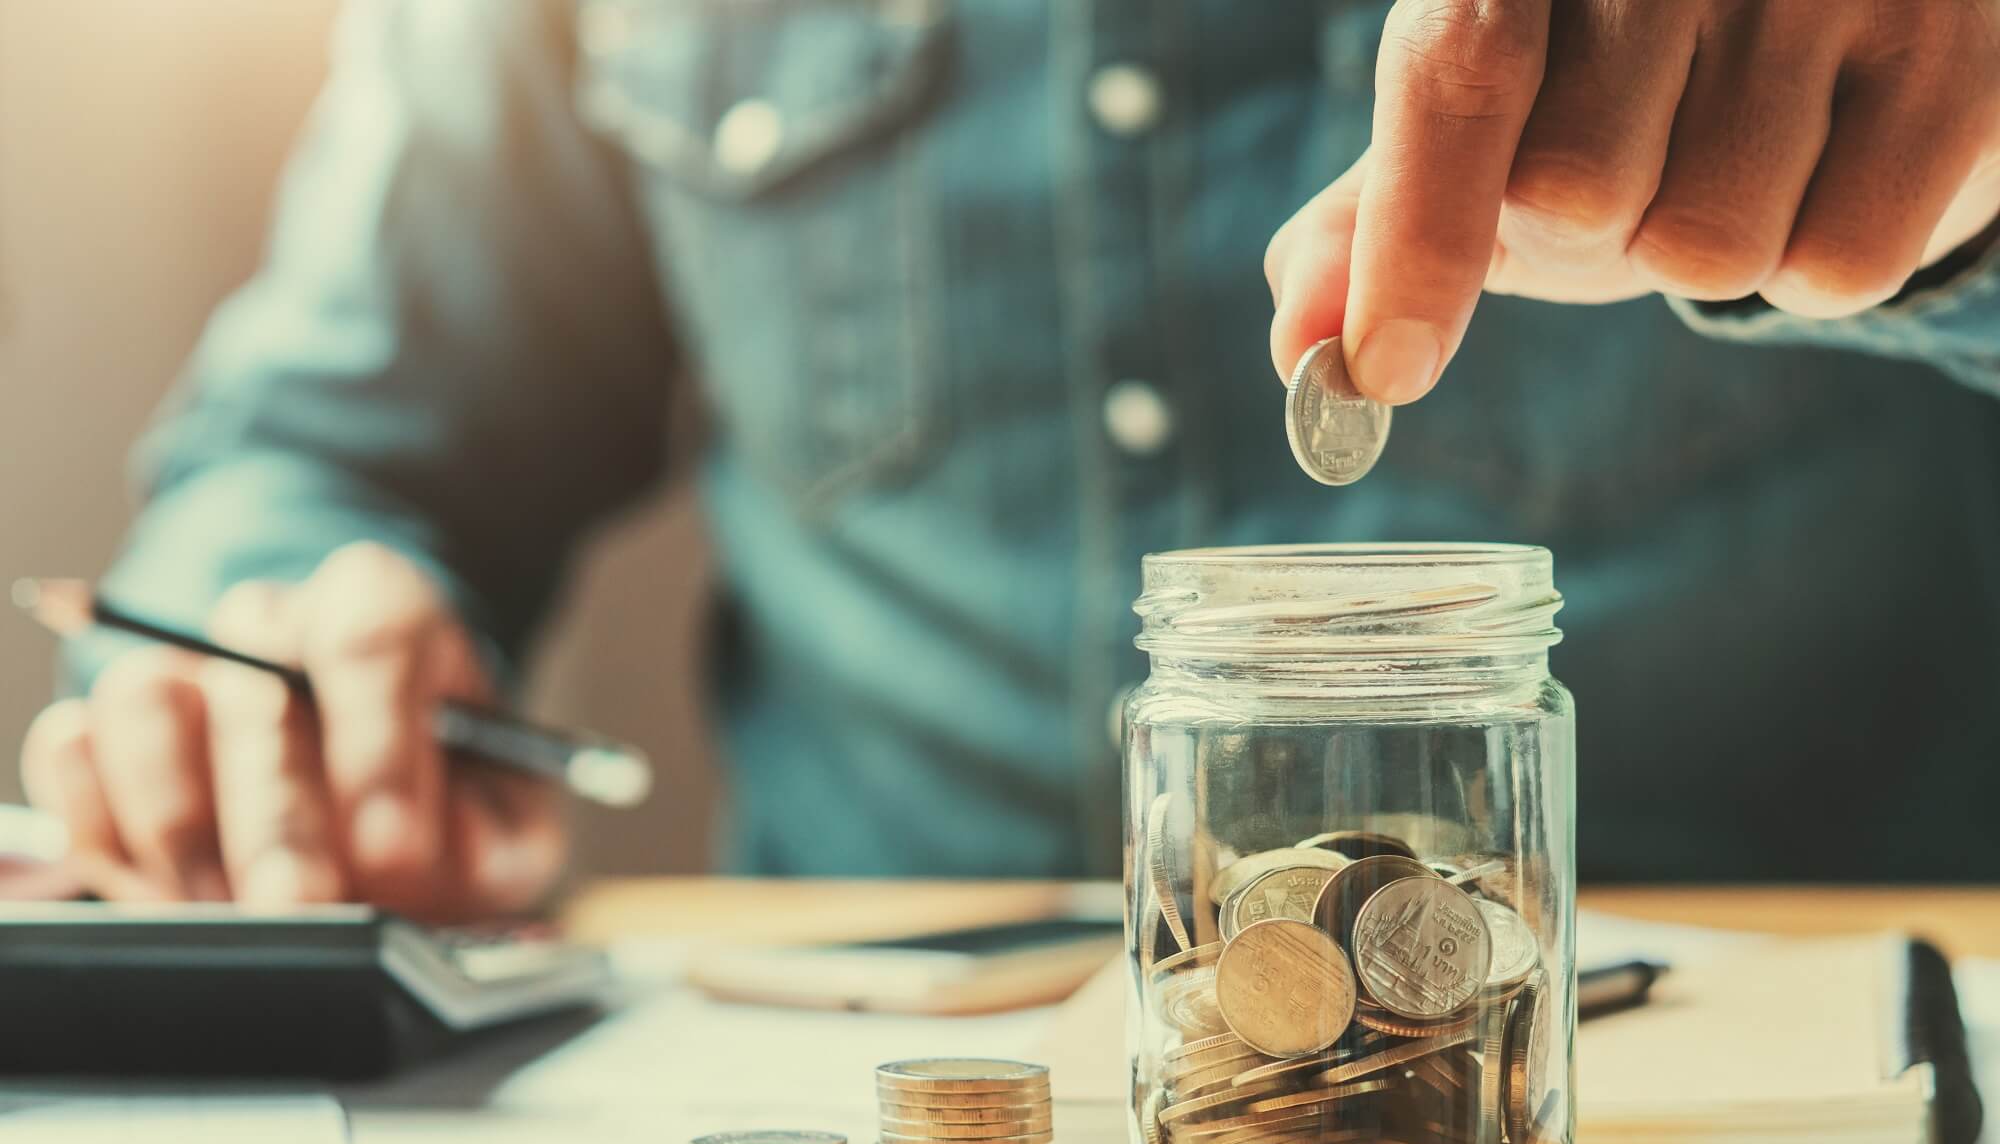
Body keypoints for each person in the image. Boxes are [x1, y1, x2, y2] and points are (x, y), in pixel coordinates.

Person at [18, 0, 2000, 918]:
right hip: (869, 1141)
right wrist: (258, 648)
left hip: (1789, 1113)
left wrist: (1972, 186)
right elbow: (326, 448)